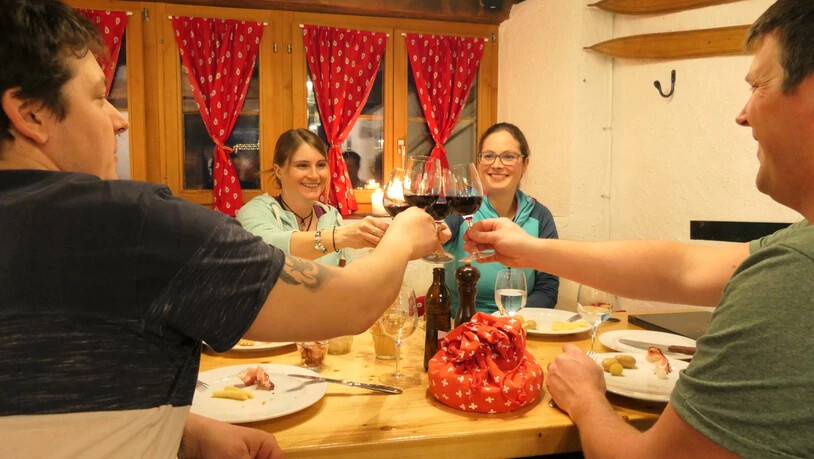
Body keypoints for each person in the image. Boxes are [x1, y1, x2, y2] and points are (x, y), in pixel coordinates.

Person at [0, 1, 442, 457]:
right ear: (30, 113)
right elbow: (354, 303)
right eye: (98, 97)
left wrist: (181, 428)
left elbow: (53, 386)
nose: (120, 118)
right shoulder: (137, 225)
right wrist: (404, 233)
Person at [463, 1, 814, 457]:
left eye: (758, 86)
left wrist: (586, 398)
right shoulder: (794, 248)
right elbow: (683, 268)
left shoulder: (792, 276)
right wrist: (528, 249)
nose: (743, 114)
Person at [443, 123, 559, 314]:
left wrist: (506, 322)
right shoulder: (459, 207)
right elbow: (438, 235)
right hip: (463, 326)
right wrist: (435, 235)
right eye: (488, 156)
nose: (497, 165)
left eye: (508, 157)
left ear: (525, 164)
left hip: (518, 325)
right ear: (479, 162)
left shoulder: (540, 215)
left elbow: (547, 290)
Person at [237, 129, 388, 266]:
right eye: (302, 165)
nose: (314, 175)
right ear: (279, 171)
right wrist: (341, 236)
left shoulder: (331, 216)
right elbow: (269, 248)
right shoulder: (255, 211)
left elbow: (345, 273)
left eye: (321, 165)